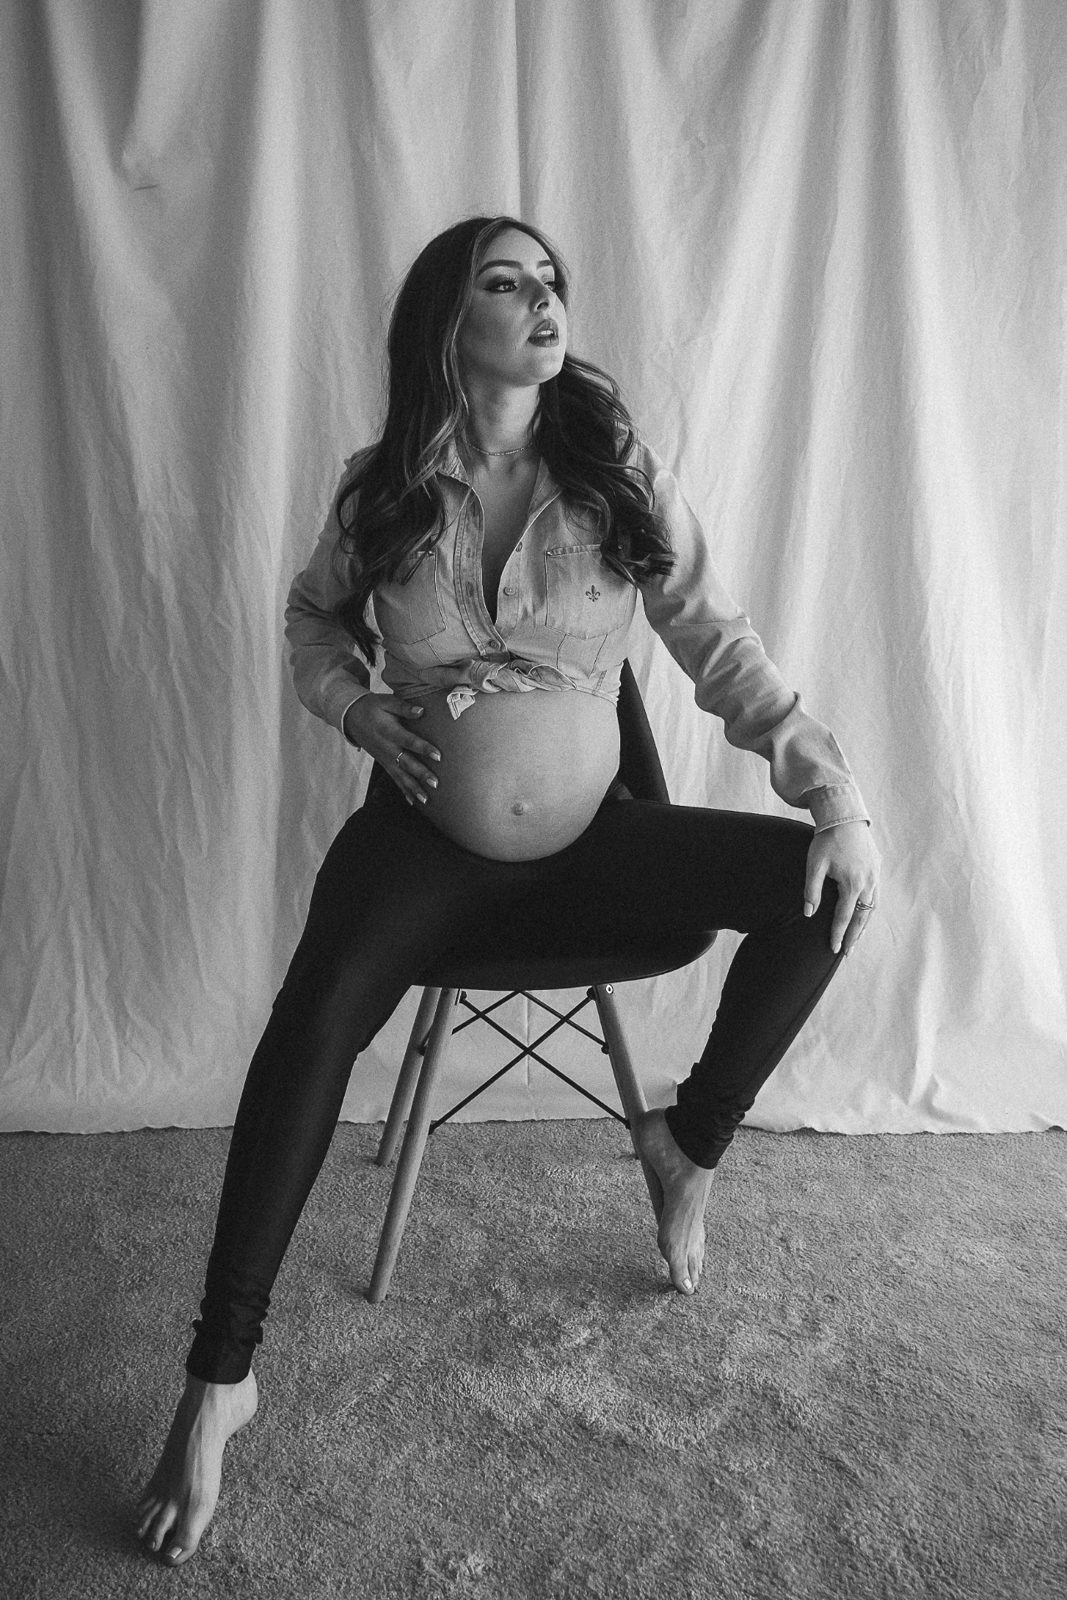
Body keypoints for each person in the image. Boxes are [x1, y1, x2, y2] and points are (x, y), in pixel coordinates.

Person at [136, 214, 880, 1564]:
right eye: (506, 281)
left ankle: (688, 1139)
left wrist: (830, 793)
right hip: (424, 847)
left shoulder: (613, 474)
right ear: (448, 320)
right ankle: (218, 1378)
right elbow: (312, 619)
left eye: (552, 283)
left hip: (594, 846)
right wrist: (355, 706)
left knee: (829, 888)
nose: (543, 300)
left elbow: (717, 642)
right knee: (310, 1023)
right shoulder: (383, 490)